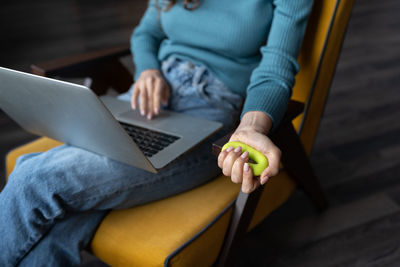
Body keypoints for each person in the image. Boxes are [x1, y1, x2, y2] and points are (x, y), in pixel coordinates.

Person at [0, 0, 313, 265]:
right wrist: (148, 69)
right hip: (148, 99)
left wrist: (251, 126)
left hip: (212, 112)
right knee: (58, 217)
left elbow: (276, 67)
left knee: (35, 178)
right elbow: (146, 33)